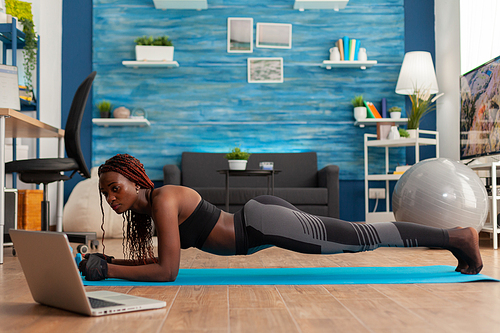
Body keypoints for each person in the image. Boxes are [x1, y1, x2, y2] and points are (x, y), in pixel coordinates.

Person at [78, 154, 483, 281]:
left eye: (116, 187)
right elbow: (156, 261)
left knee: (361, 236)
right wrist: (108, 262)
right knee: (357, 235)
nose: (112, 197)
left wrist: (110, 272)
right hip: (257, 220)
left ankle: (459, 236)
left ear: (134, 179)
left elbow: (167, 271)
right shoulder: (151, 209)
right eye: (106, 193)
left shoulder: (164, 199)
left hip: (260, 224)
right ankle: (456, 238)